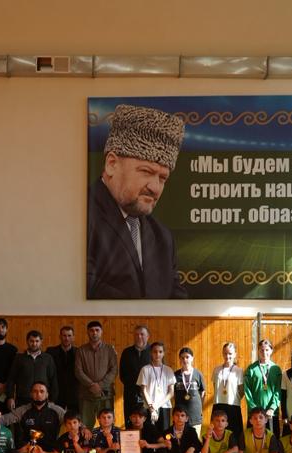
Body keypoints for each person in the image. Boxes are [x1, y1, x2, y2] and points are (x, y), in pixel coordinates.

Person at [87, 103, 189, 299]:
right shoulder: (80, 217)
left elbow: (176, 300)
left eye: (163, 178)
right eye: (146, 172)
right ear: (111, 164)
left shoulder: (163, 237)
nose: (155, 188)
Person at [0, 382, 66, 453]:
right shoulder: (23, 410)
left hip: (47, 452)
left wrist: (84, 429)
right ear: (31, 394)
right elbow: (4, 419)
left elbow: (73, 421)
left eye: (42, 391)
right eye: (35, 391)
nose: (38, 394)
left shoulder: (56, 410)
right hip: (27, 449)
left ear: (47, 394)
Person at [75, 320, 118, 428]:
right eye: (91, 330)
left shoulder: (109, 349)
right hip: (86, 394)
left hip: (105, 394)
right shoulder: (81, 350)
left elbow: (114, 370)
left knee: (107, 424)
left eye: (97, 330)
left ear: (101, 332)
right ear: (88, 332)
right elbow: (78, 371)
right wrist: (91, 385)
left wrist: (100, 385)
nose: (94, 333)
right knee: (85, 426)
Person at [245, 339, 290, 437]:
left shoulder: (276, 369)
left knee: (272, 440)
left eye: (267, 350)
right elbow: (247, 390)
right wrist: (253, 408)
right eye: (261, 350)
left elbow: (278, 391)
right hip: (255, 414)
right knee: (252, 440)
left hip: (271, 414)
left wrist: (272, 408)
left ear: (271, 351)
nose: (264, 352)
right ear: (258, 351)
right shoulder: (251, 369)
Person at [7, 330, 57, 410]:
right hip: (23, 399)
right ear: (27, 341)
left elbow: (53, 379)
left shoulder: (48, 358)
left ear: (41, 341)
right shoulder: (19, 358)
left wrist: (53, 399)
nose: (34, 344)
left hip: (42, 399)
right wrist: (10, 397)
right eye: (31, 341)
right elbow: (11, 379)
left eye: (37, 341)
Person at [137, 341, 177, 432]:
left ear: (163, 353)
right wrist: (152, 408)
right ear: (151, 353)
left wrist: (156, 406)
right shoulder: (145, 369)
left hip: (164, 407)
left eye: (160, 352)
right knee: (149, 433)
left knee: (164, 434)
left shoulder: (168, 370)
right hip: (149, 407)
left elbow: (171, 392)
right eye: (155, 352)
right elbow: (143, 390)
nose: (157, 354)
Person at [210, 342, 246, 438]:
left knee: (234, 434)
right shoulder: (217, 370)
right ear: (222, 353)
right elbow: (215, 386)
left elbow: (241, 390)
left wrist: (233, 398)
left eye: (230, 353)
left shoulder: (239, 370)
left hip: (233, 406)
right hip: (218, 404)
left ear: (235, 354)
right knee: (217, 433)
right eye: (225, 353)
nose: (227, 356)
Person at [118, 325, 153, 420]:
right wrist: (135, 386)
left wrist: (145, 387)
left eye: (142, 334)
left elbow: (159, 373)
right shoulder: (127, 352)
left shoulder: (154, 352)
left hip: (150, 394)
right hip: (131, 394)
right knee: (131, 421)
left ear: (148, 336)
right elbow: (122, 375)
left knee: (149, 423)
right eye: (136, 334)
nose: (139, 337)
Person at [173, 347, 207, 435]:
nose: (185, 360)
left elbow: (203, 393)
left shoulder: (198, 374)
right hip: (180, 416)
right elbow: (173, 394)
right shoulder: (175, 375)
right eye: (182, 357)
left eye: (187, 357)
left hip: (195, 414)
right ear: (180, 359)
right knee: (180, 439)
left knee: (195, 440)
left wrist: (200, 408)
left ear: (192, 358)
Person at [47, 325, 79, 414]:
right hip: (56, 392)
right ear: (60, 336)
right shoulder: (51, 352)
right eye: (64, 335)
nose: (66, 338)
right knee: (55, 417)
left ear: (73, 337)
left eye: (69, 335)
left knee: (74, 418)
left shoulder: (79, 352)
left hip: (74, 393)